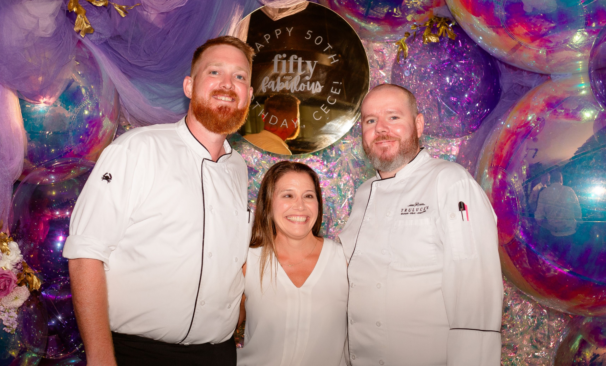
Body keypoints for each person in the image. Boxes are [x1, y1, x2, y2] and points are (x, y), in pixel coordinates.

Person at [62, 36, 255, 366]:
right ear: (189, 86)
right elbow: (85, 254)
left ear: (249, 96)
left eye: (240, 76)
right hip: (137, 354)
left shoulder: (238, 168)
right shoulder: (137, 149)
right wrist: (100, 359)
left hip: (218, 355)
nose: (228, 83)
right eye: (215, 72)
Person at [338, 84, 503, 366]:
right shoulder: (364, 193)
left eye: (393, 117)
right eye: (370, 120)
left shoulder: (450, 181)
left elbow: (476, 292)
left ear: (418, 124)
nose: (381, 128)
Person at [237, 161, 348, 366]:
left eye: (308, 196)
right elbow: (217, 327)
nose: (300, 206)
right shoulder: (247, 262)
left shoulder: (344, 261)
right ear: (268, 202)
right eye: (288, 195)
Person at [535, 171, 581, 237]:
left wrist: (553, 227)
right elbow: (578, 211)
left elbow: (538, 217)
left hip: (553, 233)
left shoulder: (543, 193)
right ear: (561, 179)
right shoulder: (570, 190)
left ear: (550, 180)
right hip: (570, 231)